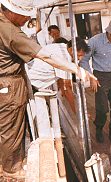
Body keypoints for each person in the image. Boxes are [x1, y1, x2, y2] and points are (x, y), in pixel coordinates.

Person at [0, 0, 83, 179]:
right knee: (11, 128)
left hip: (9, 83)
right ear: (12, 12)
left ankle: (10, 162)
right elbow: (45, 56)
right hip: (9, 85)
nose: (28, 18)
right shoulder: (11, 31)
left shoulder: (4, 23)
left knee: (11, 126)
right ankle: (11, 169)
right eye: (25, 14)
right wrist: (77, 69)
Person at [79, 18, 111, 144]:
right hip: (100, 77)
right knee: (102, 108)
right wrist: (91, 77)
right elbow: (84, 60)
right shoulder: (95, 41)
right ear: (109, 32)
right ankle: (99, 128)